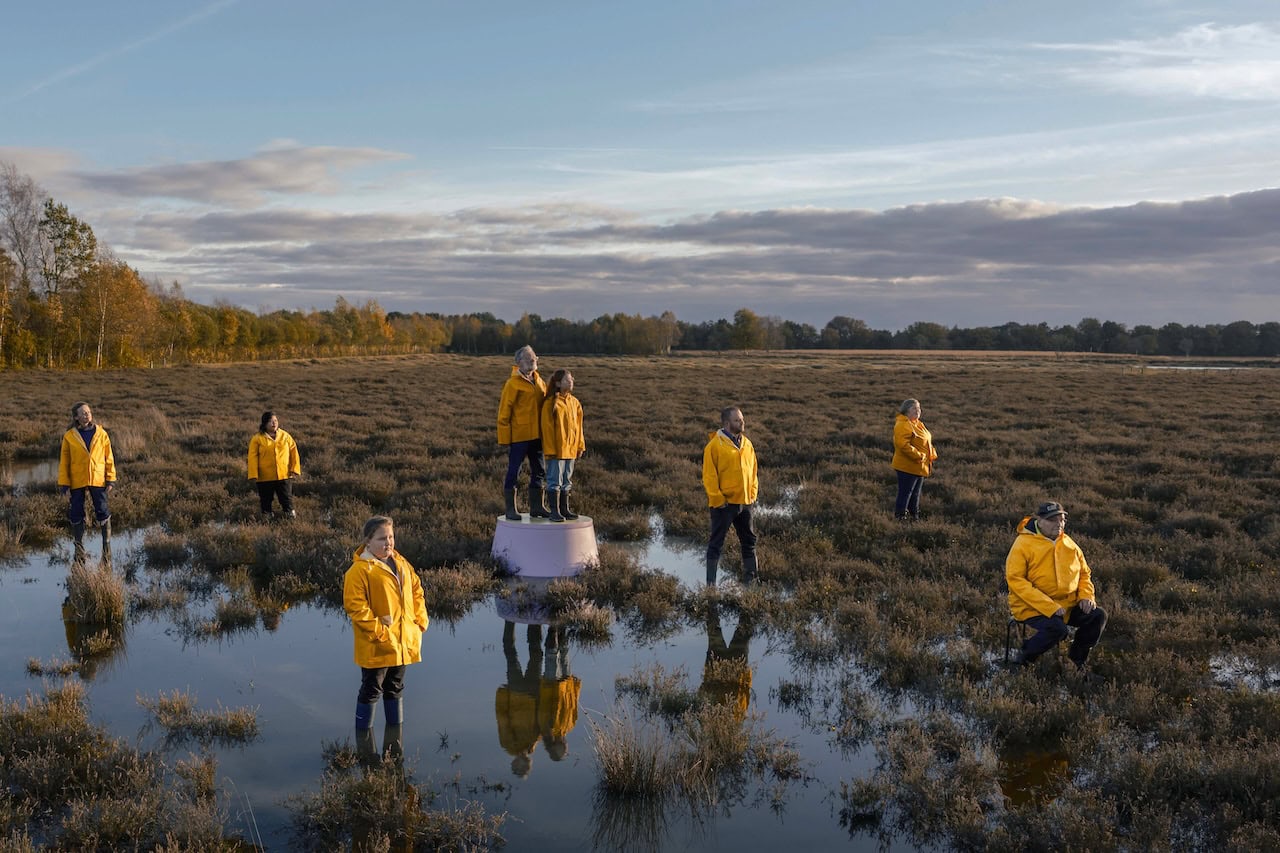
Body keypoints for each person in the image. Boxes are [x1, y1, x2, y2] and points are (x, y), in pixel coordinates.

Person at [342, 516, 429, 763]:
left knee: (395, 688)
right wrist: (380, 632)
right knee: (371, 690)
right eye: (382, 538)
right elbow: (356, 607)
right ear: (368, 542)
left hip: (403, 642)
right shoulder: (359, 570)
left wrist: (420, 620)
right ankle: (365, 747)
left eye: (391, 537)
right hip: (377, 645)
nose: (388, 543)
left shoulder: (401, 563)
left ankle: (395, 743)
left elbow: (417, 590)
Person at [1006, 501, 1107, 672]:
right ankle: (1023, 658)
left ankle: (1077, 660)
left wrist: (1086, 596)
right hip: (1031, 606)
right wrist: (1049, 606)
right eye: (1052, 520)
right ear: (1039, 520)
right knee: (1057, 629)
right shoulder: (1023, 544)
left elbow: (1084, 573)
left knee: (1098, 616)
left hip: (1066, 605)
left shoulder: (1069, 544)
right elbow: (1016, 581)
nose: (1059, 524)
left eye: (1062, 519)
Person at [702, 406, 758, 586]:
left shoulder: (747, 444)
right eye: (737, 420)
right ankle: (710, 587)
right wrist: (719, 501)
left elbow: (754, 471)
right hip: (724, 506)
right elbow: (709, 477)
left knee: (749, 542)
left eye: (742, 419)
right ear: (726, 423)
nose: (742, 422)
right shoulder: (714, 446)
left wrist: (752, 494)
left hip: (745, 503)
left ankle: (753, 581)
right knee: (716, 545)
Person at [58, 401, 116, 561]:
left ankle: (107, 548)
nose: (87, 414)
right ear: (76, 417)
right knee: (76, 511)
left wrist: (110, 479)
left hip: (98, 478)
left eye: (88, 412)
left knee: (103, 510)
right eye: (83, 413)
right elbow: (64, 462)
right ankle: (79, 550)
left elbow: (108, 457)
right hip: (77, 479)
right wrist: (64, 484)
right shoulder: (69, 436)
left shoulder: (101, 433)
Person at [497, 345, 549, 521]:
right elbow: (504, 412)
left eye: (534, 357)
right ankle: (511, 509)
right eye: (528, 358)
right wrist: (504, 438)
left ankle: (537, 507)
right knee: (514, 471)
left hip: (537, 436)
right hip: (519, 436)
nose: (533, 361)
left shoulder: (539, 381)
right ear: (518, 362)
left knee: (539, 470)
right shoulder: (512, 384)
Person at [495, 620, 544, 777]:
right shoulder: (533, 744)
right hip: (533, 691)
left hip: (515, 691)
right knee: (536, 655)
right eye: (527, 765)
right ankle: (535, 622)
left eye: (522, 765)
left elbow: (502, 717)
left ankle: (510, 620)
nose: (526, 761)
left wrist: (503, 694)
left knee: (510, 653)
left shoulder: (508, 744)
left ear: (515, 762)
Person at [540, 369, 585, 523]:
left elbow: (579, 427)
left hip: (571, 450)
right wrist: (551, 451)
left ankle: (565, 509)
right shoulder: (550, 403)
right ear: (558, 383)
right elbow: (547, 430)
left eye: (571, 379)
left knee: (567, 480)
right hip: (557, 450)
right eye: (567, 380)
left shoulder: (575, 403)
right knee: (554, 481)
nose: (571, 382)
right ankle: (555, 511)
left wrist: (580, 446)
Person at [247, 411, 301, 519]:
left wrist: (294, 468)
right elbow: (252, 457)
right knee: (266, 500)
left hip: (284, 475)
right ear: (264, 423)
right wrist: (253, 474)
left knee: (286, 499)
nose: (274, 423)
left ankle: (290, 519)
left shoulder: (285, 436)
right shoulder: (257, 439)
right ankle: (267, 520)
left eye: (275, 421)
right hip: (265, 476)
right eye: (271, 421)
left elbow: (294, 452)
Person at [891, 398, 937, 521]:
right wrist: (919, 456)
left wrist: (931, 453)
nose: (918, 411)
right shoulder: (903, 424)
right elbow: (903, 445)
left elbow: (925, 440)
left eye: (919, 408)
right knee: (905, 494)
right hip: (908, 466)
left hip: (919, 466)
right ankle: (900, 518)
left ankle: (914, 517)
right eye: (914, 408)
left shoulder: (917, 423)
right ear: (906, 411)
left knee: (915, 494)